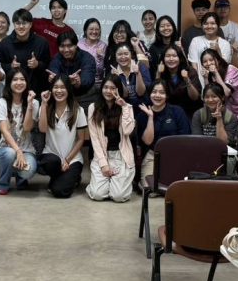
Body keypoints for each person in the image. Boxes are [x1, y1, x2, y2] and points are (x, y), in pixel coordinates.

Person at [86, 75, 135, 203]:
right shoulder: (93, 108)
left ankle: (115, 184)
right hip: (102, 155)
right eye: (106, 87)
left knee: (118, 196)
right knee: (97, 194)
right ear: (101, 88)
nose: (108, 91)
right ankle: (102, 183)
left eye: (113, 88)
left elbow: (127, 131)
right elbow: (95, 139)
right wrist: (104, 165)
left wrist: (124, 107)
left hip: (121, 156)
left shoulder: (127, 107)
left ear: (118, 90)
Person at [37, 76, 87, 199]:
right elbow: (42, 129)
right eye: (56, 87)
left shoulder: (78, 110)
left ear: (68, 89)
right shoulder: (45, 107)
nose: (59, 91)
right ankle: (60, 177)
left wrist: (68, 160)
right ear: (51, 90)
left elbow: (81, 139)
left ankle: (73, 177)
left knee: (60, 192)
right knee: (51, 162)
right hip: (51, 157)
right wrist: (44, 103)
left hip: (72, 159)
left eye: (63, 87)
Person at [136, 80, 191, 191]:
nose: (157, 95)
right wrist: (150, 118)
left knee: (177, 188)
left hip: (175, 155)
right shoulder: (143, 114)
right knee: (148, 189)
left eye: (162, 92)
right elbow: (147, 141)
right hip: (153, 155)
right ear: (150, 94)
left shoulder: (177, 111)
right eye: (154, 92)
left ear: (167, 95)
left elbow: (185, 138)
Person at [0, 69, 39, 195]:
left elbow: (27, 128)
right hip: (5, 148)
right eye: (15, 79)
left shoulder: (34, 103)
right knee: (10, 153)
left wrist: (29, 105)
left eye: (22, 79)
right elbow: (4, 131)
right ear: (9, 83)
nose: (19, 82)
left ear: (27, 83)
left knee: (29, 171)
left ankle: (21, 178)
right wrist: (18, 151)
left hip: (27, 150)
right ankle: (3, 183)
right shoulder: (1, 103)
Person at [0, 8, 51, 96]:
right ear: (14, 24)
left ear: (30, 24)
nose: (21, 26)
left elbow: (48, 66)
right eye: (18, 23)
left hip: (36, 91)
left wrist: (37, 64)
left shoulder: (42, 42)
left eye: (24, 23)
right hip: (13, 92)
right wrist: (10, 66)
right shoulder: (5, 43)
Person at [198, 48, 238, 124]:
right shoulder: (211, 76)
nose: (208, 63)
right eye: (205, 61)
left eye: (211, 60)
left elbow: (226, 92)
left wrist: (216, 73)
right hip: (236, 111)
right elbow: (209, 95)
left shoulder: (230, 69)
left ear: (218, 60)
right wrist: (205, 78)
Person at [48, 30, 96, 103]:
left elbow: (88, 80)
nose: (66, 50)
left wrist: (79, 83)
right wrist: (52, 80)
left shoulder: (87, 58)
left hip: (84, 96)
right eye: (62, 46)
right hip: (62, 95)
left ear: (76, 45)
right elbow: (54, 75)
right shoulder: (56, 58)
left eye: (69, 46)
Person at [154, 45, 200, 121]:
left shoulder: (190, 71)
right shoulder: (161, 72)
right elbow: (156, 92)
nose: (171, 59)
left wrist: (186, 79)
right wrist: (158, 73)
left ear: (180, 58)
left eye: (174, 56)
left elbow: (195, 97)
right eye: (168, 56)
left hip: (189, 111)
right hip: (168, 111)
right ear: (163, 59)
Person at [186, 12, 233, 77]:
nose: (209, 26)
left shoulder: (225, 44)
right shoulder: (195, 41)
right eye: (206, 23)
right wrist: (197, 81)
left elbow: (225, 67)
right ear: (202, 25)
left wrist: (218, 51)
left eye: (212, 23)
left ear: (218, 25)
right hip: (200, 80)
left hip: (220, 81)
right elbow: (194, 66)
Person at [112, 42, 151, 107]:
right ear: (115, 56)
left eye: (126, 54)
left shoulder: (141, 66)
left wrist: (138, 74)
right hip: (124, 107)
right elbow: (124, 95)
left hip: (143, 107)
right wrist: (117, 78)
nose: (123, 57)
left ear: (131, 54)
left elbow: (141, 93)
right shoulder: (114, 71)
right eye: (119, 54)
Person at [78, 17, 107, 86]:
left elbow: (103, 70)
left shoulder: (104, 46)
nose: (94, 32)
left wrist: (101, 58)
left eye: (97, 29)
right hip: (81, 82)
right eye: (91, 29)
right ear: (85, 30)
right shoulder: (79, 45)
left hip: (98, 84)